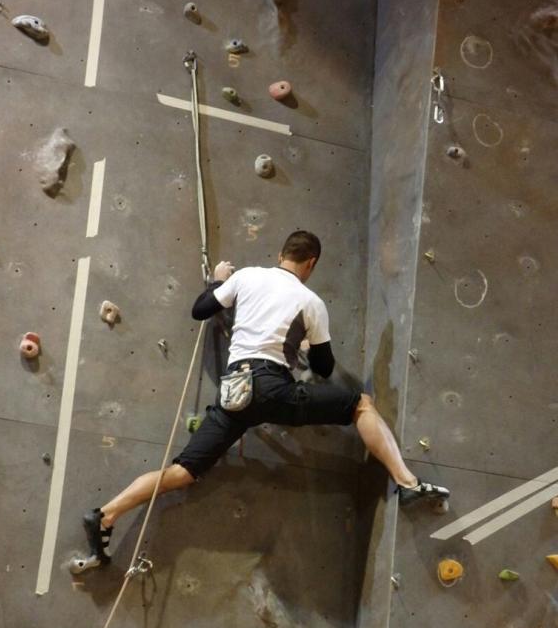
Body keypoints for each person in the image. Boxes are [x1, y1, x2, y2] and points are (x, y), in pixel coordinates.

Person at [83, 230, 449, 564]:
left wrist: (218, 281)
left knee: (183, 471)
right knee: (359, 404)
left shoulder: (247, 277)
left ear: (280, 255)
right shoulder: (311, 302)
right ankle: (407, 484)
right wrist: (305, 343)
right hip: (271, 386)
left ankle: (107, 514)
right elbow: (322, 367)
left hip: (234, 391)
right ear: (311, 263)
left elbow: (200, 310)